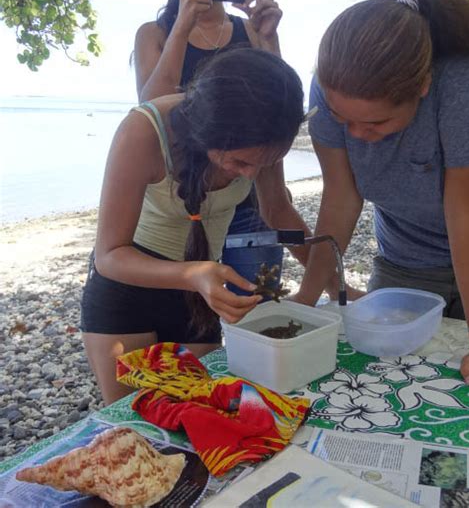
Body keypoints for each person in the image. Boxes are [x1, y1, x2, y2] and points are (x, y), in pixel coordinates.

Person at [81, 47, 309, 404]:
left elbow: (278, 210)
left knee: (197, 413)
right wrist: (192, 274)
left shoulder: (264, 134)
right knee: (132, 423)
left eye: (263, 163)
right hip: (127, 285)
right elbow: (109, 256)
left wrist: (330, 279)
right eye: (240, 161)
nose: (251, 174)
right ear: (208, 131)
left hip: (196, 294)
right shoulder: (143, 130)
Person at [295, 0, 469, 385]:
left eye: (375, 123)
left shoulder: (462, 83)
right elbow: (341, 197)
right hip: (404, 264)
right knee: (382, 383)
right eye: (344, 120)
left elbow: (464, 211)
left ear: (423, 87)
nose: (357, 135)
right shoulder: (328, 87)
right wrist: (304, 301)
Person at [133, 0, 285, 280]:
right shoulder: (154, 34)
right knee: (189, 325)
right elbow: (151, 115)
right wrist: (182, 27)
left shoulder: (250, 32)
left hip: (244, 199)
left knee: (258, 315)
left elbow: (278, 109)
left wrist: (268, 39)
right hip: (177, 203)